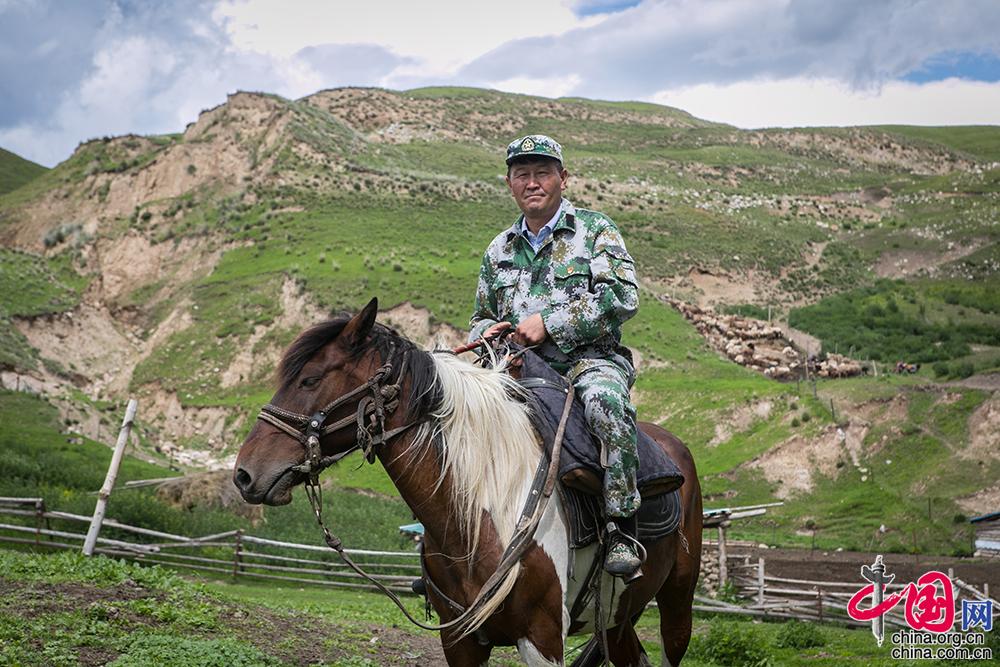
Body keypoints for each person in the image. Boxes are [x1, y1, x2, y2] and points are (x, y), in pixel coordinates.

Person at [468, 134, 643, 579]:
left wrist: (550, 322)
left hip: (589, 361)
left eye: (542, 173)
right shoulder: (498, 249)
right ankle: (459, 545)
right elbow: (480, 316)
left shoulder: (596, 230)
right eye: (522, 174)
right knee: (459, 420)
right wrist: (485, 331)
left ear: (563, 179)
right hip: (516, 368)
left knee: (607, 406)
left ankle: (622, 526)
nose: (532, 183)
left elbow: (623, 297)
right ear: (509, 183)